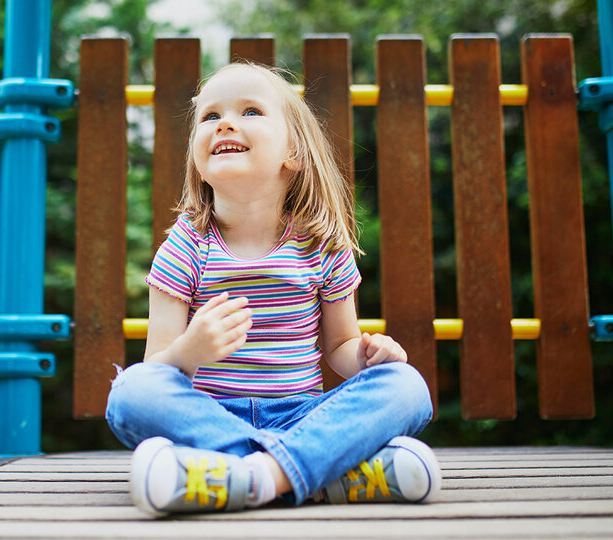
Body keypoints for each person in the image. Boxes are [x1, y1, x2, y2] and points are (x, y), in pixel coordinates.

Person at [105, 62, 440, 516]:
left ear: (294, 153)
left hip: (304, 417)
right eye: (210, 117)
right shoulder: (184, 248)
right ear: (198, 164)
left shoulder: (320, 244)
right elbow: (157, 369)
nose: (225, 122)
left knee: (407, 386)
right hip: (210, 416)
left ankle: (244, 477)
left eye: (250, 112)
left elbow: (340, 344)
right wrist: (190, 350)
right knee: (130, 392)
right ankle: (320, 476)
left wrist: (364, 358)